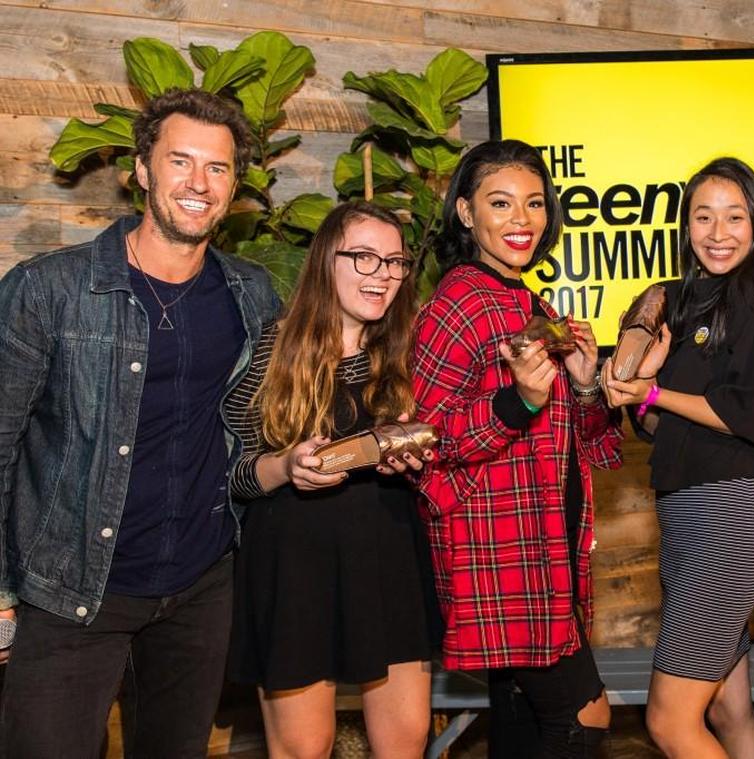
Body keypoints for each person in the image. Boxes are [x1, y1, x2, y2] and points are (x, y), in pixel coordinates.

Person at [0, 89, 279, 756]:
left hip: (198, 591)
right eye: (179, 161)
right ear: (142, 171)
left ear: (235, 184)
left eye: (217, 168)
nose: (198, 183)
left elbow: (249, 438)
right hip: (70, 593)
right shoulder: (50, 289)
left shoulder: (252, 294)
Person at [410, 139, 624, 758]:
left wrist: (586, 386)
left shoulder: (534, 307)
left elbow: (578, 447)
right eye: (500, 203)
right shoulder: (460, 304)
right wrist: (516, 403)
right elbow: (424, 441)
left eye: (534, 204)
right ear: (466, 213)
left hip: (548, 548)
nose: (521, 220)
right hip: (498, 553)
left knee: (522, 718)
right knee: (584, 715)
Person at [602, 157, 754, 759]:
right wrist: (649, 396)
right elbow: (669, 428)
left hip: (726, 523)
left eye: (735, 217)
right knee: (727, 709)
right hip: (687, 518)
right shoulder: (691, 305)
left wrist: (655, 391)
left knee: (668, 722)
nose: (719, 233)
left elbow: (747, 413)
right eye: (703, 217)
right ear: (685, 227)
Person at [225, 201, 436, 757]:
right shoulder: (271, 349)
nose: (383, 276)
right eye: (364, 258)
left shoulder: (406, 352)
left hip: (389, 557)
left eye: (394, 262)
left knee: (405, 741)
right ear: (325, 261)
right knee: (304, 747)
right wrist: (288, 466)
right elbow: (234, 474)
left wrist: (411, 462)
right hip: (294, 566)